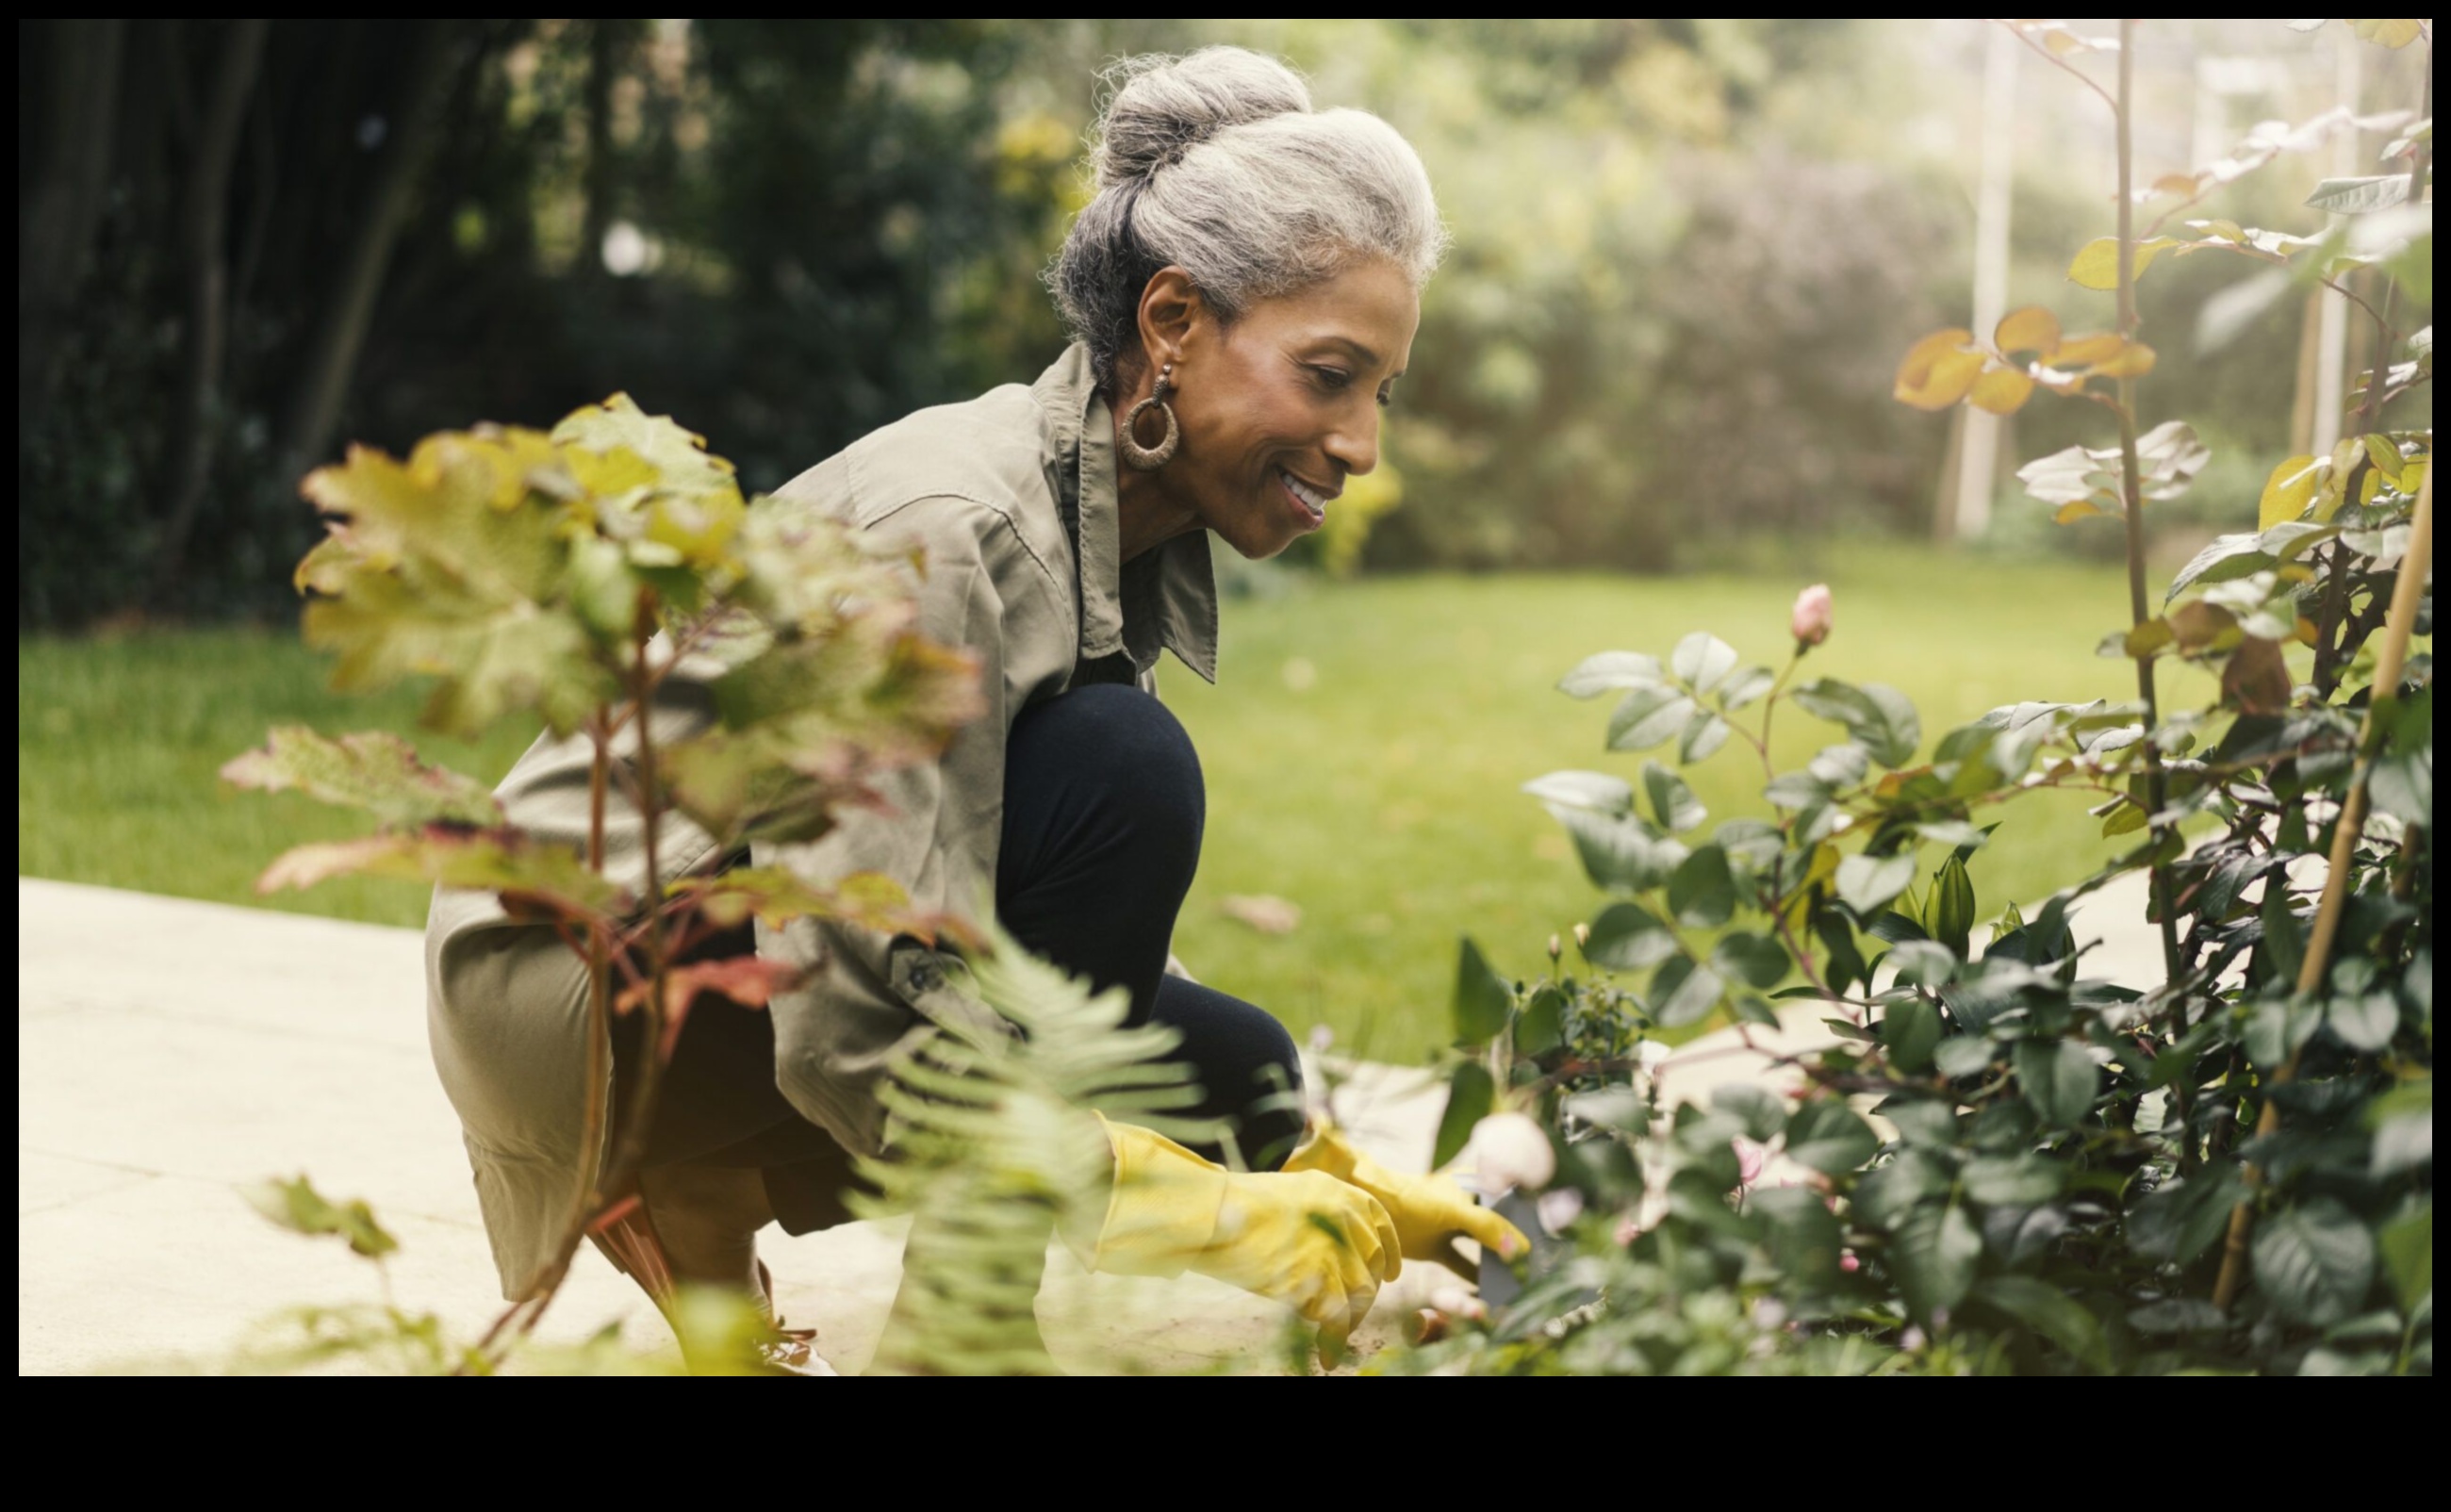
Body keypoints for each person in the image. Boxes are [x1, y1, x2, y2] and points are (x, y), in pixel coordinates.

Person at [424, 44, 1522, 1372]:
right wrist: (1194, 1208)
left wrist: (1316, 1169)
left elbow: (1031, 907)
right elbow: (850, 1016)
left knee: (1235, 1066)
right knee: (1127, 770)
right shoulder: (948, 529)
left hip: (723, 938)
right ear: (1171, 326)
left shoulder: (1109, 518)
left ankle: (711, 1196)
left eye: (1381, 395)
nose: (1360, 446)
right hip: (572, 982)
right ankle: (908, 1309)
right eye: (1331, 376)